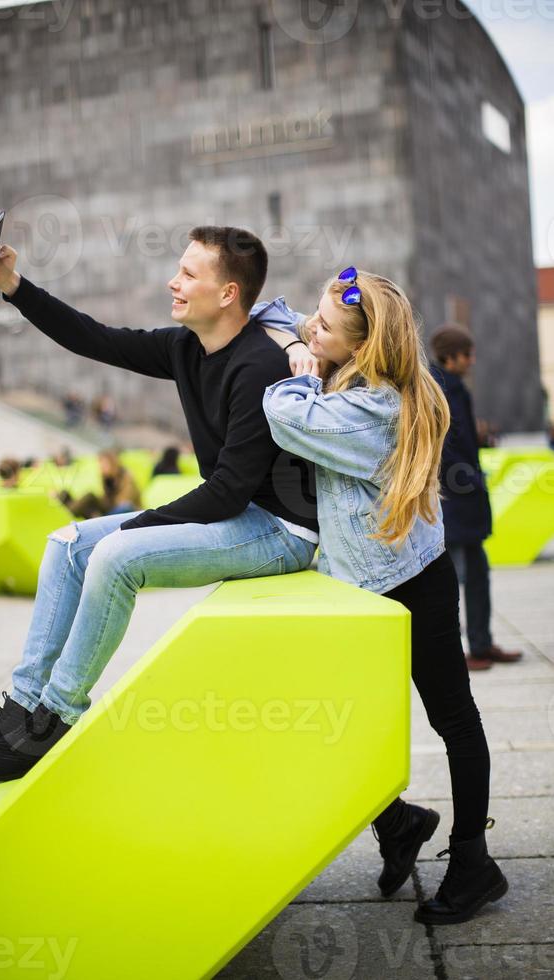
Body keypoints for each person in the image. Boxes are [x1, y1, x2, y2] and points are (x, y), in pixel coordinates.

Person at [0, 225, 318, 783]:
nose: (173, 281)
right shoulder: (184, 348)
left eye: (189, 274)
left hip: (278, 531)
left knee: (115, 557)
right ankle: (22, 708)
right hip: (235, 515)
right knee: (68, 541)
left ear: (228, 294)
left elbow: (228, 491)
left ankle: (57, 715)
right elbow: (92, 337)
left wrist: (131, 527)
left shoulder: (260, 368)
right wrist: (12, 284)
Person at [252, 269, 507, 926]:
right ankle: (399, 823)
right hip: (366, 587)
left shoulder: (371, 411)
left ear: (362, 348)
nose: (312, 325)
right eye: (316, 314)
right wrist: (306, 332)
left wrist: (298, 363)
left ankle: (473, 862)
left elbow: (282, 414)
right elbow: (269, 308)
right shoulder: (359, 378)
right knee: (329, 723)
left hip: (408, 586)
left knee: (453, 719)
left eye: (327, 325)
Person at [429, 326, 522, 671]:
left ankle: (482, 645)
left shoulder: (452, 388)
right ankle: (457, 653)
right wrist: (467, 481)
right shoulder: (440, 389)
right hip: (454, 503)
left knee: (479, 574)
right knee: (455, 581)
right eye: (467, 354)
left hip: (463, 501)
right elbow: (446, 449)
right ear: (451, 357)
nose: (472, 361)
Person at [57, 450, 141, 518]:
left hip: (126, 511)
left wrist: (101, 506)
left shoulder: (126, 477)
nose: (101, 468)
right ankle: (65, 505)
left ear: (112, 464)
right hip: (111, 509)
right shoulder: (107, 479)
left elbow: (123, 501)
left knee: (91, 498)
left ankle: (66, 512)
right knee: (80, 497)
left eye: (104, 465)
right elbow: (106, 501)